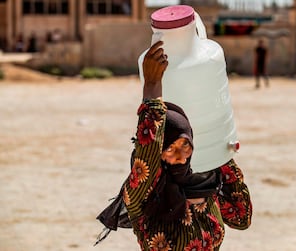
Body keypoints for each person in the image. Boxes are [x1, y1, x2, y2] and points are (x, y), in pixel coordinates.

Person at [96, 41, 252, 250]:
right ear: (158, 151)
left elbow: (242, 217)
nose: (180, 155)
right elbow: (149, 146)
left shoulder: (203, 185)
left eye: (186, 146)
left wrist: (219, 148)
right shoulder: (145, 194)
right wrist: (151, 86)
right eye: (170, 148)